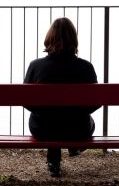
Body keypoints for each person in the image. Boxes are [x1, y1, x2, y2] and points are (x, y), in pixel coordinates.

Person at [24, 17, 100, 177]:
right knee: (85, 120)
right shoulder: (85, 67)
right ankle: (74, 146)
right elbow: (96, 101)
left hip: (42, 129)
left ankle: (54, 162)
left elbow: (25, 100)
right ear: (74, 39)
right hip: (78, 129)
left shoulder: (35, 66)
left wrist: (41, 110)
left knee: (49, 119)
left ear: (49, 39)